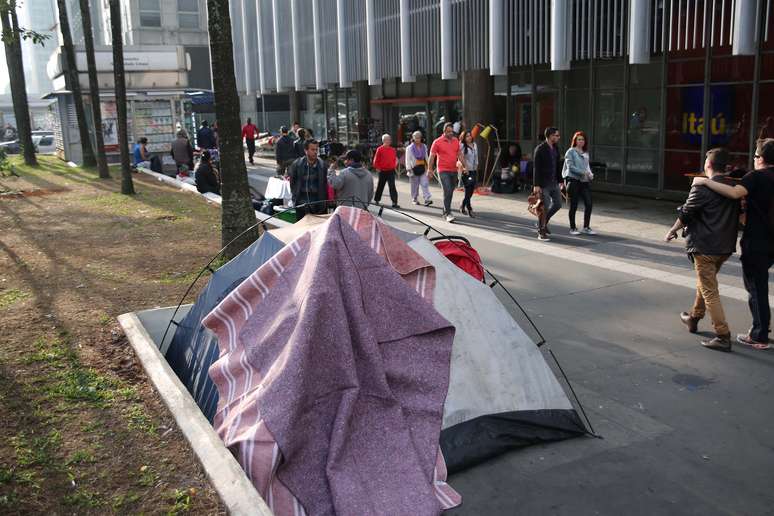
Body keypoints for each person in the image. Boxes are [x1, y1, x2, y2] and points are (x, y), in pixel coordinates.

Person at [692, 138, 774, 349]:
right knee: (760, 286)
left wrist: (705, 181)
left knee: (756, 288)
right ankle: (761, 328)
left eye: (755, 156)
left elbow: (735, 192)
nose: (754, 160)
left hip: (757, 240)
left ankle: (759, 335)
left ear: (761, 158)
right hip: (771, 240)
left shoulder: (756, 176)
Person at [665, 148, 739, 351]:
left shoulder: (701, 187)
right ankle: (694, 318)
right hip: (724, 247)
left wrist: (672, 230)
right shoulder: (734, 186)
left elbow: (687, 213)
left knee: (709, 291)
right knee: (705, 283)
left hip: (705, 246)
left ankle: (722, 335)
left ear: (708, 165)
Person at [533, 127, 563, 241]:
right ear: (550, 136)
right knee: (543, 207)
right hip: (543, 184)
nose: (558, 137)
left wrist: (560, 180)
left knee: (558, 204)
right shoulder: (540, 149)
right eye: (556, 135)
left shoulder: (556, 148)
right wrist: (536, 185)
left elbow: (558, 165)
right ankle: (541, 231)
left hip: (554, 182)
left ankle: (544, 222)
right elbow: (537, 168)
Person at [429, 122, 464, 223]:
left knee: (450, 192)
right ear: (444, 131)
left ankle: (445, 210)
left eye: (451, 131)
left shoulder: (455, 140)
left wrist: (465, 166)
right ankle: (448, 213)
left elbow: (460, 154)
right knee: (447, 190)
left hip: (453, 170)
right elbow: (432, 156)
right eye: (448, 131)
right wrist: (430, 169)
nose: (450, 133)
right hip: (443, 170)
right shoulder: (437, 142)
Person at [563, 131, 595, 235]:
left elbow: (587, 166)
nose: (581, 141)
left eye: (583, 139)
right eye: (579, 139)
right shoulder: (570, 152)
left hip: (584, 181)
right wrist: (582, 173)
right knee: (574, 205)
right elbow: (570, 166)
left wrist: (590, 174)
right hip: (574, 181)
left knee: (589, 203)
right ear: (575, 141)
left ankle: (586, 227)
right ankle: (573, 228)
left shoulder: (585, 153)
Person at [288, 139, 328, 219]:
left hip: (318, 203)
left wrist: (323, 203)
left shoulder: (322, 165)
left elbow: (324, 184)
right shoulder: (297, 164)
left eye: (317, 149)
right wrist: (295, 199)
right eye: (313, 149)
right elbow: (292, 183)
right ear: (306, 150)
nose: (316, 152)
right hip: (302, 204)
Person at [405, 131, 432, 206]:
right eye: (416, 138)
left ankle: (427, 199)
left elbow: (426, 157)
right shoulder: (409, 148)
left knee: (425, 183)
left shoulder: (424, 146)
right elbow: (407, 159)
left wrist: (429, 166)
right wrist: (408, 168)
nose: (417, 139)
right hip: (413, 169)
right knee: (415, 185)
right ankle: (414, 198)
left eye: (419, 138)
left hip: (423, 167)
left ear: (421, 138)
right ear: (413, 138)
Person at [372, 133, 400, 208]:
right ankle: (377, 199)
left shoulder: (393, 150)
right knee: (380, 185)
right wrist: (377, 167)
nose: (389, 141)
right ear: (383, 140)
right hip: (382, 170)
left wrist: (394, 166)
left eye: (390, 139)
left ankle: (394, 202)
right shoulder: (379, 149)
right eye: (387, 140)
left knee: (392, 186)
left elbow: (395, 159)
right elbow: (376, 160)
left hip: (391, 170)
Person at [460, 131, 478, 217]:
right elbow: (460, 158)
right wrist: (464, 168)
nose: (469, 137)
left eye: (470, 136)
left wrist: (477, 166)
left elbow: (476, 157)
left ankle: (462, 205)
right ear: (463, 138)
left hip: (473, 170)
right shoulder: (462, 146)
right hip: (466, 171)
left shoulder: (474, 144)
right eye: (467, 136)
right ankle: (469, 208)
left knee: (471, 191)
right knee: (468, 189)